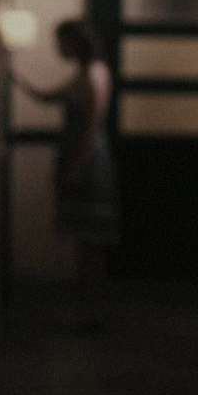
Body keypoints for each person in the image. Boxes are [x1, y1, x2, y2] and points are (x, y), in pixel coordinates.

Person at [14, 18, 120, 331]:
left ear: (75, 41)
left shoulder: (94, 73)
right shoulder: (85, 73)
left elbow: (91, 125)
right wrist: (15, 76)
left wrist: (77, 167)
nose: (58, 48)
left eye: (61, 42)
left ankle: (91, 310)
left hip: (86, 156)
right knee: (84, 237)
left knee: (91, 237)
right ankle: (85, 308)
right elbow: (47, 97)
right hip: (80, 153)